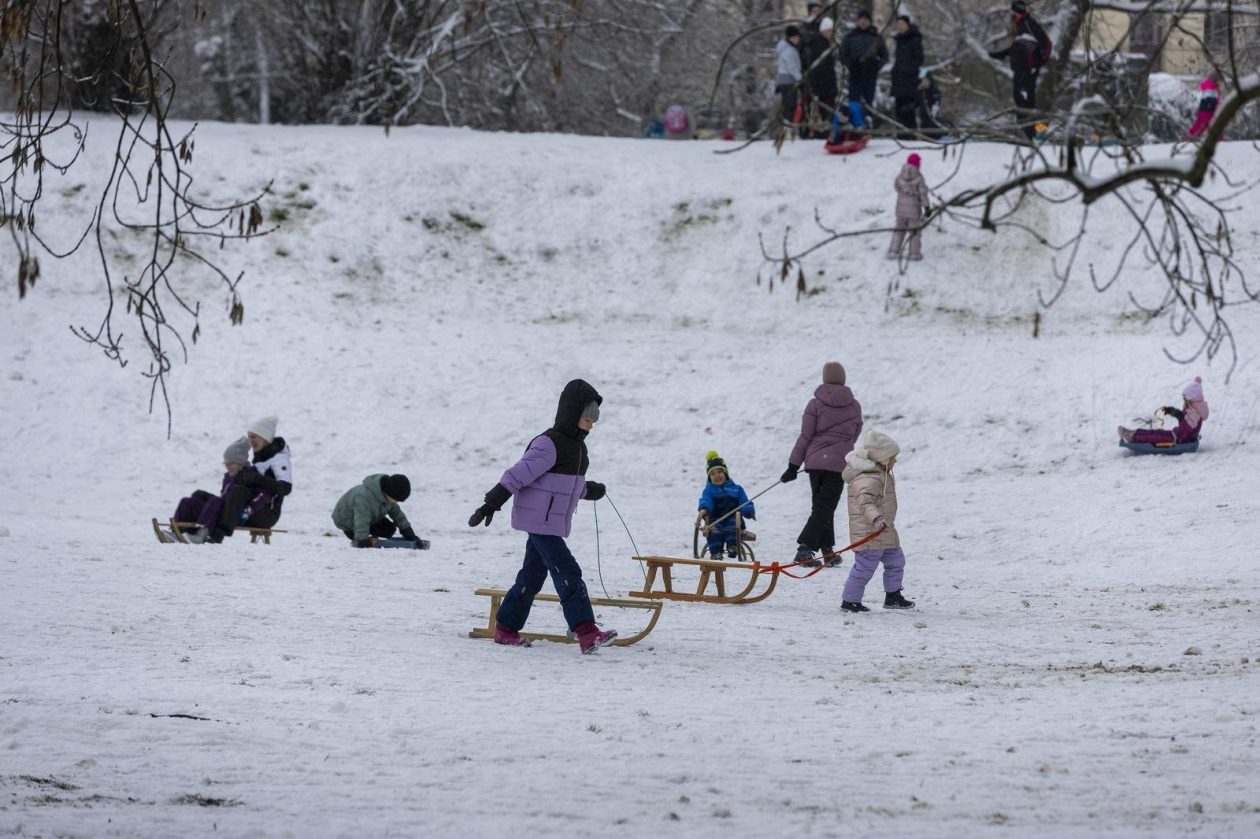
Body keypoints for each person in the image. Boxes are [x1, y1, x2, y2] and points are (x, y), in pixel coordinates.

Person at [467, 379, 616, 654]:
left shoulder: (579, 449)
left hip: (552, 523)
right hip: (539, 521)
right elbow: (516, 476)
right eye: (588, 417)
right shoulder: (549, 444)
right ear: (572, 413)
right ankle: (585, 631)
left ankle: (506, 628)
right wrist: (490, 504)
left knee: (532, 577)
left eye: (595, 418)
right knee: (568, 570)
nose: (592, 424)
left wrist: (590, 490)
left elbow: (567, 486)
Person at [781, 362, 863, 568]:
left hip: (815, 462)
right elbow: (856, 431)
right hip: (837, 463)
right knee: (825, 507)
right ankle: (805, 549)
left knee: (821, 507)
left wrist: (793, 465)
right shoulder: (854, 405)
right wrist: (843, 445)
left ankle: (827, 551)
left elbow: (805, 436)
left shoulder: (814, 404)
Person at [840, 430, 915, 612]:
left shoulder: (880, 473)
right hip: (869, 531)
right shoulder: (868, 477)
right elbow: (866, 502)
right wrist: (877, 518)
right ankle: (850, 601)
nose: (895, 461)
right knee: (865, 568)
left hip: (884, 530)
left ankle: (893, 596)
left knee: (896, 561)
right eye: (892, 457)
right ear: (881, 457)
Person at [171, 436, 274, 543]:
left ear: (240, 462)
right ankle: (178, 531)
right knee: (191, 499)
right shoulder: (228, 477)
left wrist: (249, 509)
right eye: (225, 464)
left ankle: (201, 534)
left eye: (230, 464)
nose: (227, 467)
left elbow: (264, 495)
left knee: (216, 501)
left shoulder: (251, 475)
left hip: (235, 514)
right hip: (222, 509)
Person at [988, 0, 1052, 142]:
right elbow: (1014, 48)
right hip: (1018, 68)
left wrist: (1039, 63)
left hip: (1029, 69)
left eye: (1013, 11)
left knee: (1026, 101)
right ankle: (1025, 134)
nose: (1011, 14)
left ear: (1017, 11)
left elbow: (1047, 44)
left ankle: (1028, 136)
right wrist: (999, 54)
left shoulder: (1029, 23)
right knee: (1019, 100)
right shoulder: (1015, 24)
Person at [332, 474, 424, 548]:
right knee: (361, 533)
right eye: (396, 499)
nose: (396, 502)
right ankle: (352, 534)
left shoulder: (388, 497)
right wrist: (362, 541)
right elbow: (361, 519)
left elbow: (398, 515)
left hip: (369, 516)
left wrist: (409, 534)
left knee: (388, 530)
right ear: (389, 493)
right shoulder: (365, 497)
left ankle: (369, 535)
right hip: (346, 519)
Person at [697, 451, 755, 560]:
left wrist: (748, 510)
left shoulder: (736, 489)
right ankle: (716, 552)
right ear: (709, 478)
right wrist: (704, 508)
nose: (717, 476)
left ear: (726, 473)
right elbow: (706, 500)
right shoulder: (709, 490)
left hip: (733, 519)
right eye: (713, 474)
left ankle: (732, 547)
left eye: (720, 472)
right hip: (715, 520)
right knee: (714, 533)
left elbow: (744, 501)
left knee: (733, 529)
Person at [1119, 377, 1210, 445]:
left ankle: (1133, 438)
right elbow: (1186, 423)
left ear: (1191, 399)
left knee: (1155, 437)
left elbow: (1187, 429)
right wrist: (1172, 411)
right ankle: (1134, 433)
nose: (1184, 401)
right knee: (1156, 433)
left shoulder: (1195, 413)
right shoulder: (1195, 408)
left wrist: (1179, 415)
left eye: (1185, 399)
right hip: (1177, 435)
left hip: (1180, 439)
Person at [838, 9, 888, 129]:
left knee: (868, 101)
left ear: (869, 21)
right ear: (858, 20)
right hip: (855, 75)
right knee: (854, 102)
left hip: (870, 75)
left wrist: (876, 66)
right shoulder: (850, 37)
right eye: (861, 19)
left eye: (866, 19)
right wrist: (850, 64)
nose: (863, 22)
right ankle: (855, 124)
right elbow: (842, 55)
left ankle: (867, 124)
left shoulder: (876, 37)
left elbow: (885, 56)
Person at [799, 4, 838, 137]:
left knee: (827, 107)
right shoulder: (807, 32)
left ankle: (825, 132)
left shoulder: (828, 40)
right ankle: (809, 132)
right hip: (816, 79)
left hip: (827, 80)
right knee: (815, 107)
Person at [888, 153, 931, 261]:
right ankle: (914, 253)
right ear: (917, 164)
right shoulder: (919, 178)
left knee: (899, 230)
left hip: (900, 211)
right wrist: (926, 207)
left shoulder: (900, 176)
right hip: (914, 212)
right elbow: (923, 193)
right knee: (915, 232)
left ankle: (893, 251)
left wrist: (904, 192)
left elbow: (896, 187)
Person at [890, 15, 924, 133]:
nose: (900, 27)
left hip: (909, 80)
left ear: (908, 25)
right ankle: (901, 134)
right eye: (898, 24)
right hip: (898, 80)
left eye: (902, 24)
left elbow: (919, 59)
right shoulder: (899, 40)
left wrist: (907, 69)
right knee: (899, 108)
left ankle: (910, 134)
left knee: (909, 109)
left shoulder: (915, 39)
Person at [776, 25, 804, 128]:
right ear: (790, 38)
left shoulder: (785, 49)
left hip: (784, 80)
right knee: (790, 106)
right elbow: (793, 68)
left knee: (787, 105)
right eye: (795, 37)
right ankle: (787, 127)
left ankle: (786, 126)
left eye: (798, 37)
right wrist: (800, 79)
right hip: (789, 81)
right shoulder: (790, 51)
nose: (798, 39)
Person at [1186, 69, 1222, 139]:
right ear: (1215, 79)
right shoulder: (1210, 86)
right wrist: (1211, 106)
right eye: (1219, 80)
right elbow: (1208, 98)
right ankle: (1190, 135)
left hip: (1208, 109)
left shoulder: (1213, 86)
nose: (1220, 82)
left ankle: (1192, 135)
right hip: (1208, 109)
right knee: (1204, 124)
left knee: (1205, 124)